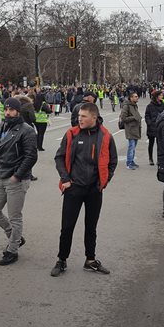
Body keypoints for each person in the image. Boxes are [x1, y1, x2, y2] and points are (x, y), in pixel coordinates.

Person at [51, 103, 117, 277]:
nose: (79, 119)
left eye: (84, 116)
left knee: (91, 227)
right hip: (74, 189)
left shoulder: (106, 136)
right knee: (67, 227)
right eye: (79, 116)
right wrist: (65, 179)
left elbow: (112, 161)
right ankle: (62, 260)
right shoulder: (71, 134)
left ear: (94, 118)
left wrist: (105, 181)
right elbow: (59, 157)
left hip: (95, 190)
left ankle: (90, 260)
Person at [0, 97, 38, 266]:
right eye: (6, 109)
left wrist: (17, 175)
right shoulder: (1, 126)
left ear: (18, 111)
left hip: (16, 179)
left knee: (15, 216)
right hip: (0, 176)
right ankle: (14, 237)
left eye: (11, 110)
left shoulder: (27, 130)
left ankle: (12, 251)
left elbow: (31, 156)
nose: (7, 112)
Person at [120, 92, 142, 170]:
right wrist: (134, 117)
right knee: (131, 146)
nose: (137, 98)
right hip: (130, 129)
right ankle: (129, 163)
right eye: (135, 96)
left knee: (133, 146)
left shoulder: (134, 105)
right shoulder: (126, 106)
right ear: (131, 98)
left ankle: (131, 161)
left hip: (136, 128)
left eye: (137, 96)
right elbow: (123, 118)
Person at [145, 91, 164, 166]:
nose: (162, 96)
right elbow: (147, 116)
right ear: (156, 96)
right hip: (152, 127)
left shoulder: (162, 104)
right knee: (151, 143)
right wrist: (149, 123)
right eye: (160, 95)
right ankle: (150, 158)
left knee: (160, 144)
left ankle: (159, 159)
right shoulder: (150, 106)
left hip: (160, 126)